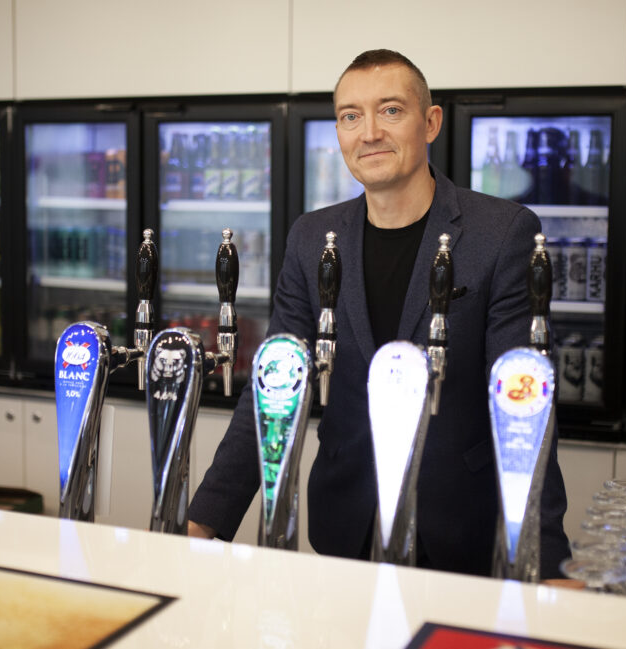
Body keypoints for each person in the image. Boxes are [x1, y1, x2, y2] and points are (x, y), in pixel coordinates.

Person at [188, 49, 571, 579]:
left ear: (430, 122)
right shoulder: (311, 238)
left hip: (461, 538)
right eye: (350, 116)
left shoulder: (501, 233)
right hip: (346, 527)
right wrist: (205, 522)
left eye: (390, 110)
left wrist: (547, 560)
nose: (368, 132)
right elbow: (274, 388)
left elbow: (523, 403)